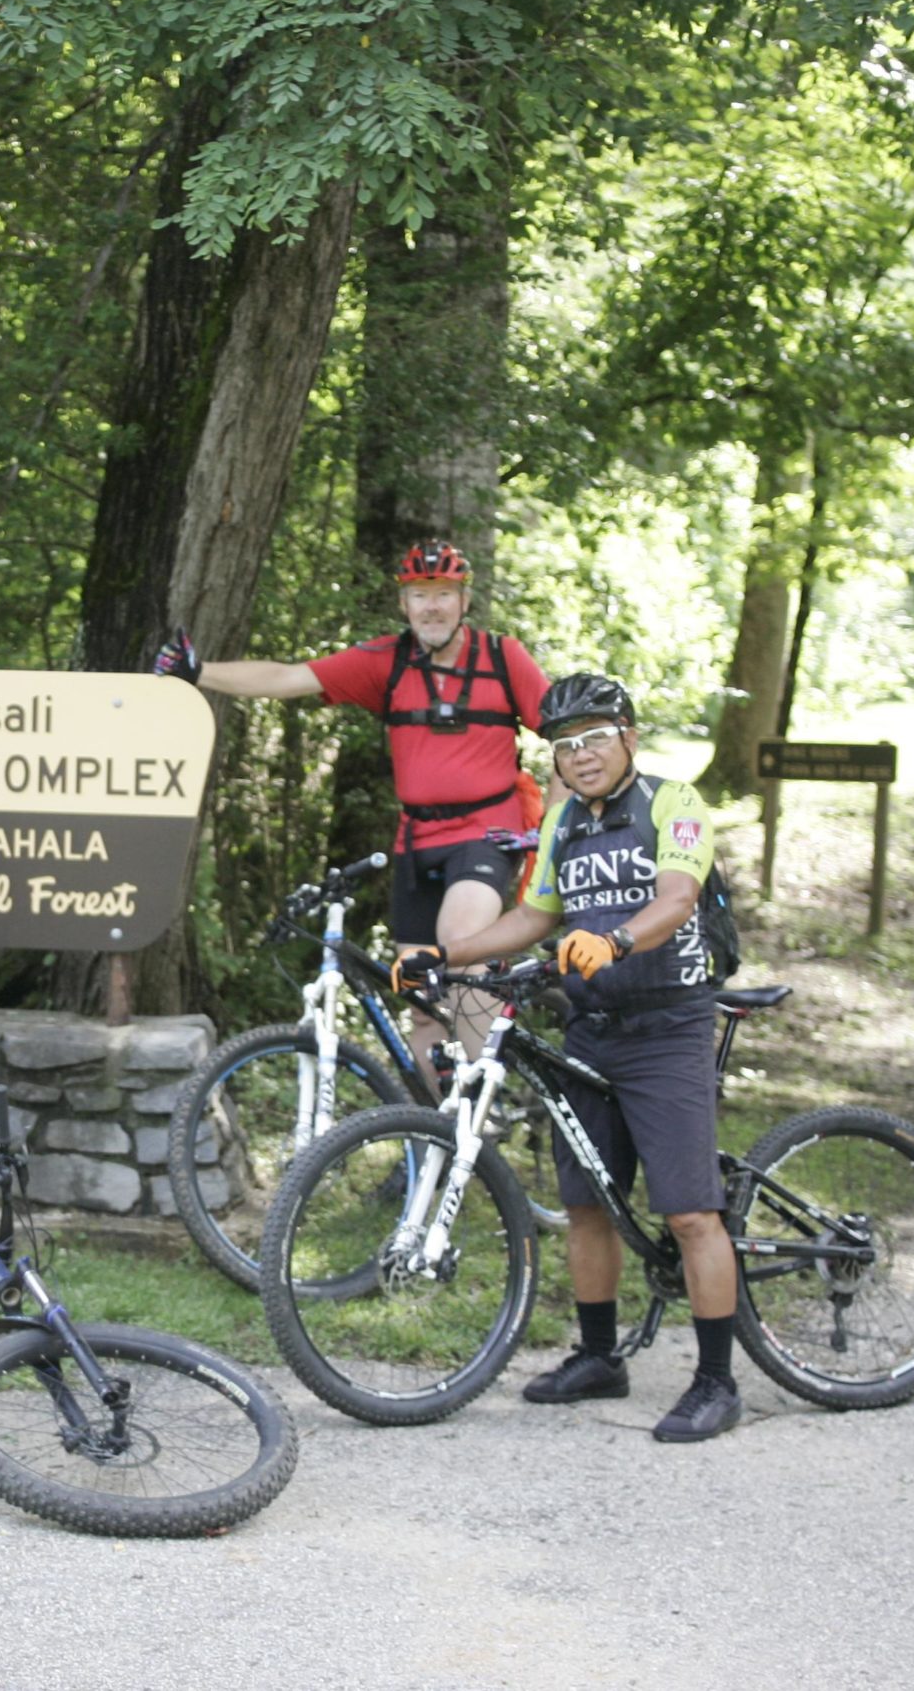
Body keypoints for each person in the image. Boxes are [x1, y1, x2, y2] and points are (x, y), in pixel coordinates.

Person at [401, 671, 743, 1443]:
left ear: (629, 735)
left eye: (594, 738)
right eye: (564, 745)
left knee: (689, 1210)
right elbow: (532, 915)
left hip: (669, 1026)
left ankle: (718, 1381)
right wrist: (443, 953)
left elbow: (677, 897)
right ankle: (598, 1356)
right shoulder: (563, 824)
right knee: (588, 1204)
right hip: (592, 1029)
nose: (580, 756)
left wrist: (616, 938)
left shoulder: (673, 802)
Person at [152, 541, 551, 1062]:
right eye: (419, 594)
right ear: (403, 604)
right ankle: (434, 1133)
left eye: (444, 594)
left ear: (464, 600)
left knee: (456, 944)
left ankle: (481, 1108)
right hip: (417, 840)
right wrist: (196, 671)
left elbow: (563, 731)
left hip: (487, 831)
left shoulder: (503, 658)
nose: (432, 606)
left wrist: (566, 813)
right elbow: (288, 678)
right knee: (422, 1000)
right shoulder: (388, 660)